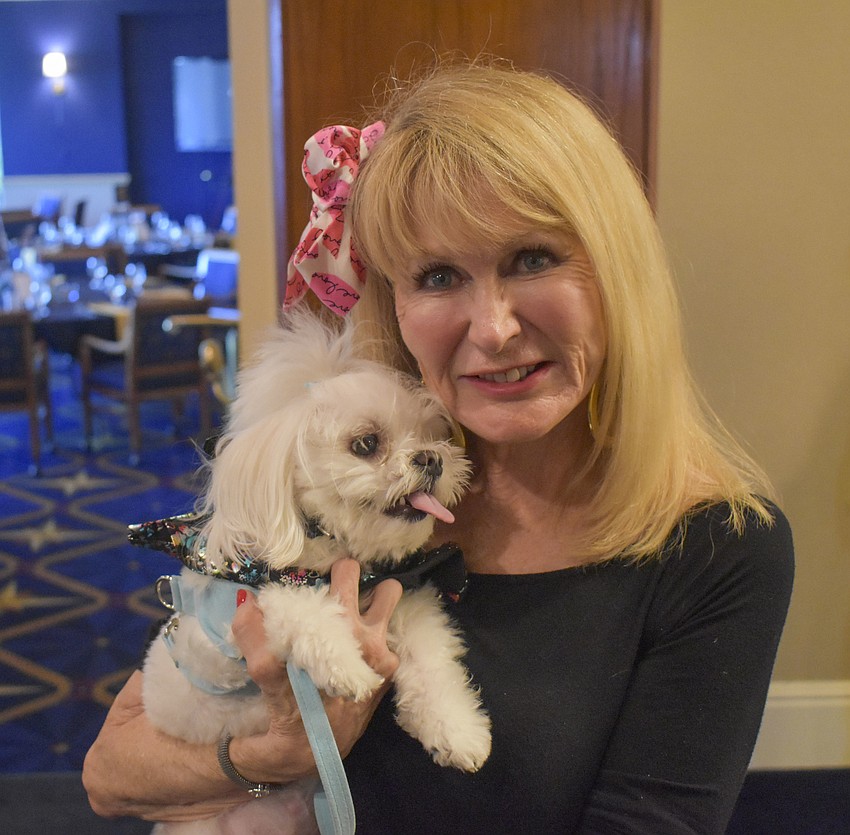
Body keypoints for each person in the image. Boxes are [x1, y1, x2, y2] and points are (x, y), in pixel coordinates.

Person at [83, 60, 794, 834]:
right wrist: (275, 756)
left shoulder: (719, 547)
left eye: (533, 258)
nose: (493, 329)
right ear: (394, 301)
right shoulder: (322, 489)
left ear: (617, 269)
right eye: (438, 275)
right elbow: (110, 775)